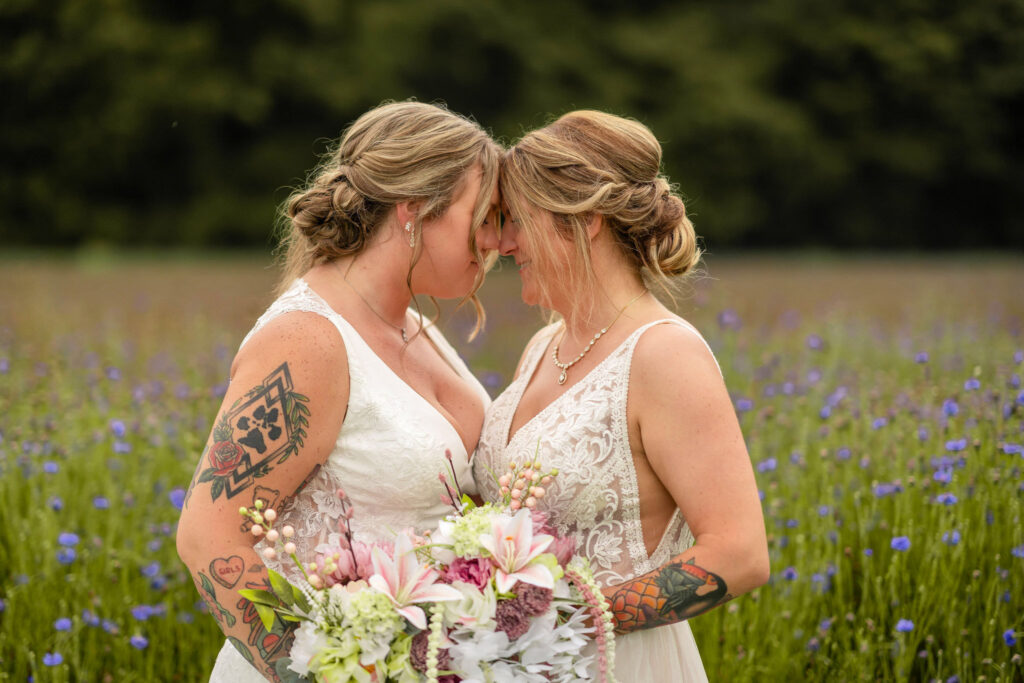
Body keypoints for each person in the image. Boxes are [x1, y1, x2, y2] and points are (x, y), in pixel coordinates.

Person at [176, 101, 502, 682]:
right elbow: (210, 536)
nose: (497, 239)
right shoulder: (307, 339)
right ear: (414, 208)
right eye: (484, 215)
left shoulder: (413, 326)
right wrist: (322, 673)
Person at [472, 110, 769, 681]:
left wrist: (564, 620)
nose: (504, 244)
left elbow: (740, 554)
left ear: (584, 221)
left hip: (617, 663)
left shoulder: (664, 355)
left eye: (518, 220)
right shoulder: (542, 344)